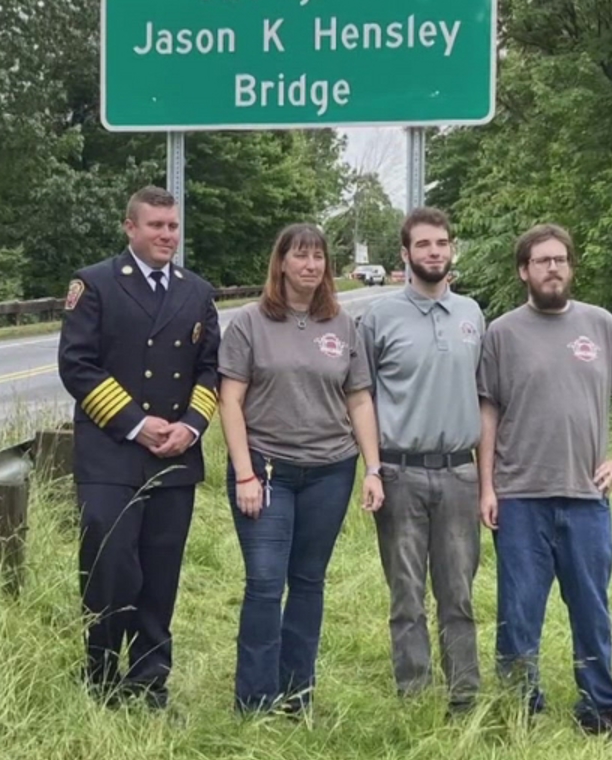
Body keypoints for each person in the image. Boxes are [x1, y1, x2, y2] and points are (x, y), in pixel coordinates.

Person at [476, 223, 612, 738]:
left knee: (591, 611)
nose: (552, 268)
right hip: (520, 497)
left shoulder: (600, 326)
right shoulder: (502, 333)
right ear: (523, 271)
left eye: (560, 260)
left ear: (571, 267)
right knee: (518, 612)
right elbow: (487, 412)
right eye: (541, 261)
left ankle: (600, 710)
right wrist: (486, 488)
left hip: (586, 498)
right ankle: (519, 709)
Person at [56, 186, 221, 709]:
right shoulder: (95, 284)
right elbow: (77, 365)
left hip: (174, 456)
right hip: (111, 453)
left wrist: (191, 425)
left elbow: (211, 368)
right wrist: (136, 423)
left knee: (161, 571)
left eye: (173, 226)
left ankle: (150, 681)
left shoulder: (197, 291)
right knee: (109, 568)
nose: (167, 235)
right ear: (130, 228)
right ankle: (101, 676)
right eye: (156, 226)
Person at [218, 223, 385, 715]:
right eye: (300, 256)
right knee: (266, 583)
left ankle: (297, 693)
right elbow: (231, 400)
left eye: (318, 257)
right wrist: (245, 474)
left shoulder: (342, 325)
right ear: (282, 263)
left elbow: (358, 400)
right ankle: (255, 698)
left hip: (330, 471)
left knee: (308, 581)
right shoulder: (249, 323)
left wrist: (373, 468)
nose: (310, 265)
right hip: (267, 472)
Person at [357, 207, 487, 713]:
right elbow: (360, 395)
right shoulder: (379, 318)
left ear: (452, 249)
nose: (434, 251)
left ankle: (464, 696)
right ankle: (412, 693)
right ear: (406, 254)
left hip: (459, 472)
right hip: (400, 471)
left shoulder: (473, 315)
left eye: (442, 243)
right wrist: (371, 468)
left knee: (458, 593)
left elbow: (485, 397)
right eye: (424, 244)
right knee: (407, 595)